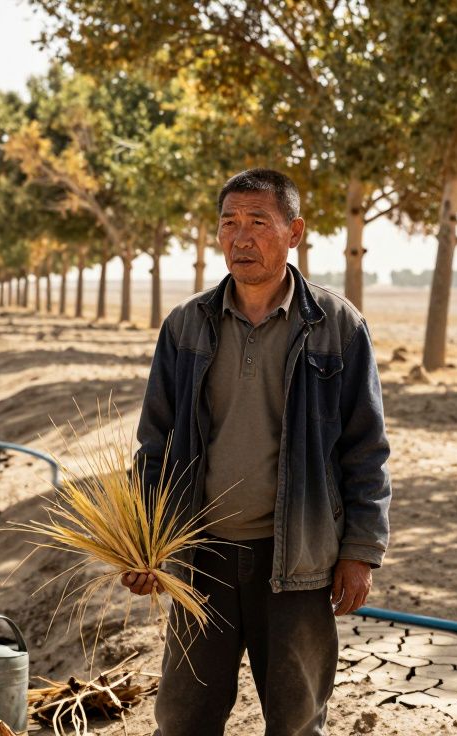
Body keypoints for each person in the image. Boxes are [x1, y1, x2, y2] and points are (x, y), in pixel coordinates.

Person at [124, 168, 392, 736]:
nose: (240, 238)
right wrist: (141, 542)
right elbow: (154, 442)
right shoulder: (184, 326)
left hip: (297, 564)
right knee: (182, 719)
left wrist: (361, 551)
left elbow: (366, 449)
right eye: (228, 223)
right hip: (202, 560)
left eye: (257, 223)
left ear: (293, 232)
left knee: (296, 723)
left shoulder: (337, 327)